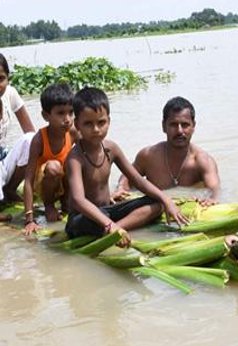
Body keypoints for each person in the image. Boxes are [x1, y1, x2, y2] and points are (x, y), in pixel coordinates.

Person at [65, 87, 188, 247]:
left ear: (108, 121)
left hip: (107, 212)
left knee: (157, 204)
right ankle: (112, 229)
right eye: (88, 124)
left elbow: (137, 180)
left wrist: (167, 200)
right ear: (77, 124)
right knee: (92, 219)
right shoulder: (75, 158)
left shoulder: (111, 149)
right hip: (83, 219)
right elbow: (78, 200)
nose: (96, 129)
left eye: (101, 122)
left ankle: (118, 229)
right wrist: (110, 224)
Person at [111, 96, 220, 205]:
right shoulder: (148, 156)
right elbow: (127, 176)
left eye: (185, 125)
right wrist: (120, 189)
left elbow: (214, 189)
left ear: (193, 127)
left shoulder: (203, 161)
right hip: (155, 208)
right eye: (173, 125)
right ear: (164, 126)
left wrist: (212, 199)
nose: (179, 131)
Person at [22, 84, 78, 235]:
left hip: (63, 181)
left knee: (75, 161)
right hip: (45, 184)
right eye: (60, 113)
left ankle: (66, 202)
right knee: (54, 167)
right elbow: (28, 179)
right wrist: (29, 219)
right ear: (46, 116)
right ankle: (49, 205)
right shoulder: (39, 139)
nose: (67, 119)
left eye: (71, 113)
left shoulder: (73, 133)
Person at [0, 53, 36, 220]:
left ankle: (10, 189)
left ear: (8, 78)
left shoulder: (10, 94)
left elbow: (31, 132)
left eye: (1, 79)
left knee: (31, 140)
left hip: (3, 161)